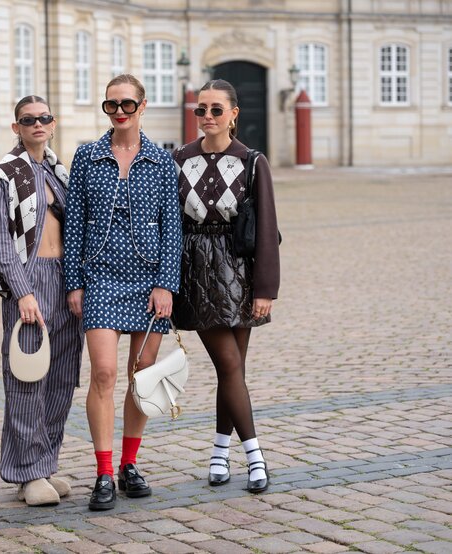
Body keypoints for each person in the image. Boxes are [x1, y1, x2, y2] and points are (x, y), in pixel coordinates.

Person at [64, 74, 182, 511]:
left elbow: (173, 229)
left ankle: (131, 463)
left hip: (150, 280)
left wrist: (166, 283)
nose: (118, 112)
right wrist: (73, 282)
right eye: (111, 105)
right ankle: (103, 471)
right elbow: (74, 222)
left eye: (127, 105)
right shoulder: (88, 157)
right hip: (100, 277)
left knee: (142, 374)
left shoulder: (160, 160)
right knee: (104, 374)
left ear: (142, 106)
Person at [0, 96, 84, 507]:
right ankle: (27, 473)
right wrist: (22, 292)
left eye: (44, 118)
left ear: (52, 124)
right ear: (16, 127)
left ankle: (46, 464)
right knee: (25, 378)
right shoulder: (3, 176)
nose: (37, 125)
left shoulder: (59, 174)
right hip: (29, 281)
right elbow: (2, 242)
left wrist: (79, 284)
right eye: (28, 120)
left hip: (64, 280)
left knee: (60, 379)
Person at [171, 79, 280, 493]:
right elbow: (170, 224)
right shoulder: (180, 158)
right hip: (197, 268)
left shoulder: (252, 161)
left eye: (216, 109)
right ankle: (255, 455)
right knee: (229, 365)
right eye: (201, 110)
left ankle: (219, 451)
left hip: (240, 270)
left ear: (234, 114)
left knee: (231, 369)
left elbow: (268, 228)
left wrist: (265, 289)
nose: (208, 117)